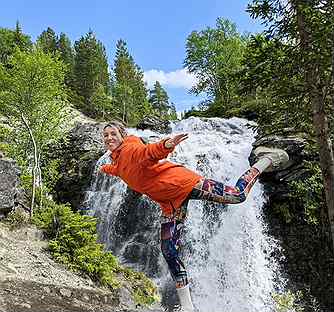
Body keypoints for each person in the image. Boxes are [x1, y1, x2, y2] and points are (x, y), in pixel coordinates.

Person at [99, 121, 289, 312]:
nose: (109, 138)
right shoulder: (118, 160)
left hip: (184, 184)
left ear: (122, 134)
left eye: (113, 133)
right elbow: (121, 170)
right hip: (170, 204)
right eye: (106, 135)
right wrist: (106, 169)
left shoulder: (130, 149)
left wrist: (166, 145)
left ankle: (266, 160)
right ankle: (188, 307)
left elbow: (148, 153)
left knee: (237, 195)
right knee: (169, 251)